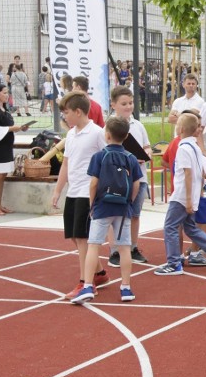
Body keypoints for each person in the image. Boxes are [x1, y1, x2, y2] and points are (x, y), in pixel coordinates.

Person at [70, 116, 142, 304]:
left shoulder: (99, 156)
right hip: (123, 208)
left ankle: (87, 286)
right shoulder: (131, 158)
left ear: (106, 134)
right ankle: (126, 288)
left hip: (102, 207)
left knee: (94, 245)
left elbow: (94, 183)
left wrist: (92, 205)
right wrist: (130, 201)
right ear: (126, 136)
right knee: (124, 247)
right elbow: (136, 183)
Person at [52, 91, 109, 299]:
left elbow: (109, 158)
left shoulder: (97, 133)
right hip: (74, 192)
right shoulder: (71, 134)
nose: (64, 117)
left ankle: (86, 283)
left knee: (83, 238)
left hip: (89, 192)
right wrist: (58, 190)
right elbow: (66, 164)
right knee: (75, 237)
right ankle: (99, 272)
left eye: (66, 112)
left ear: (78, 111)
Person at [154, 113, 206, 275]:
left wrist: (187, 200)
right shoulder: (195, 147)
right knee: (190, 228)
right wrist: (197, 195)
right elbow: (200, 172)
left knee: (170, 227)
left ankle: (174, 263)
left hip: (181, 197)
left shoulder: (183, 149)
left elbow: (188, 174)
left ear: (181, 129)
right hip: (191, 195)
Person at [107, 86, 151, 267]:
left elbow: (147, 146)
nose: (128, 107)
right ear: (114, 105)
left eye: (131, 103)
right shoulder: (108, 126)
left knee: (134, 214)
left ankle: (133, 247)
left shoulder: (137, 125)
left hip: (138, 178)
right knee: (115, 215)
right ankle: (115, 250)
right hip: (117, 180)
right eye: (124, 104)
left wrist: (144, 156)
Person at [0, 83, 32, 215]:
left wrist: (20, 128)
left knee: (2, 175)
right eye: (4, 93)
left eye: (7, 92)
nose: (7, 95)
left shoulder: (5, 109)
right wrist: (11, 128)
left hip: (6, 147)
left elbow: (7, 127)